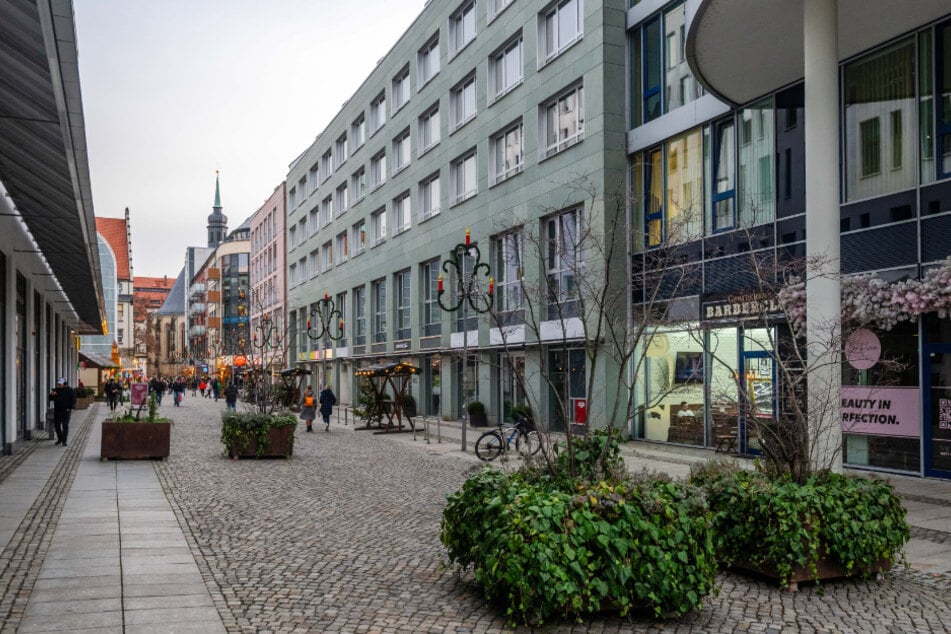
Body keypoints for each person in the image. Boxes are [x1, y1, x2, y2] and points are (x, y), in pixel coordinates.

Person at [48, 378, 77, 447]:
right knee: (57, 425)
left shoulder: (70, 390)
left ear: (64, 384)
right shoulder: (56, 390)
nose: (59, 385)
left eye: (60, 384)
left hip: (66, 411)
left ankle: (64, 441)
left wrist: (69, 408)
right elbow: (50, 398)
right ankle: (60, 438)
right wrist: (52, 394)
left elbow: (73, 400)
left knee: (65, 425)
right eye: (58, 384)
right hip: (57, 411)